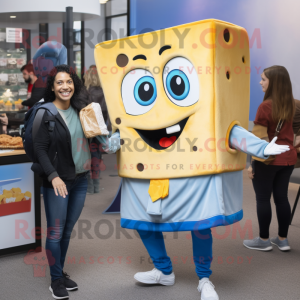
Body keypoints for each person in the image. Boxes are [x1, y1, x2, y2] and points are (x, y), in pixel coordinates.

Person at [33, 64, 119, 299]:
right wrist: (53, 176)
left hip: (80, 179)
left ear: (75, 85)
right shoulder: (45, 112)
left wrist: (113, 140)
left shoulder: (82, 111)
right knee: (55, 232)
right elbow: (40, 149)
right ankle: (55, 280)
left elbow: (102, 143)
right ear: (52, 87)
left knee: (67, 231)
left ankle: (59, 272)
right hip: (57, 182)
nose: (65, 86)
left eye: (69, 82)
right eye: (59, 82)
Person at [244, 66, 297, 252]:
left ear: (273, 82)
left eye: (264, 79)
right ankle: (283, 239)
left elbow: (258, 140)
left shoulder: (265, 106)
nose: (260, 82)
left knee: (263, 198)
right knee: (282, 198)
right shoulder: (293, 104)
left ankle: (264, 240)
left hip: (269, 160)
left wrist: (252, 164)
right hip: (289, 158)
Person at [84, 65, 111, 194]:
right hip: (101, 128)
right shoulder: (106, 92)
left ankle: (89, 187)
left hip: (88, 129)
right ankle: (96, 186)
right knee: (97, 157)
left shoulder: (85, 92)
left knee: (87, 157)